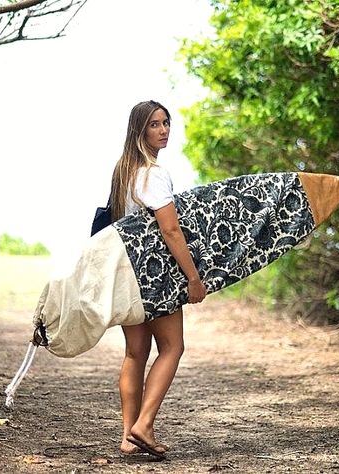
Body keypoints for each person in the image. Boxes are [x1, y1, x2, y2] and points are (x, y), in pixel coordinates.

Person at [110, 100, 207, 458]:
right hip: (154, 276)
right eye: (154, 124)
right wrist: (193, 278)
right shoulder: (153, 173)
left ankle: (127, 436)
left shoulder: (123, 173)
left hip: (125, 272)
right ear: (139, 130)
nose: (163, 130)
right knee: (172, 347)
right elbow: (170, 229)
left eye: (166, 122)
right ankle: (144, 425)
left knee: (135, 353)